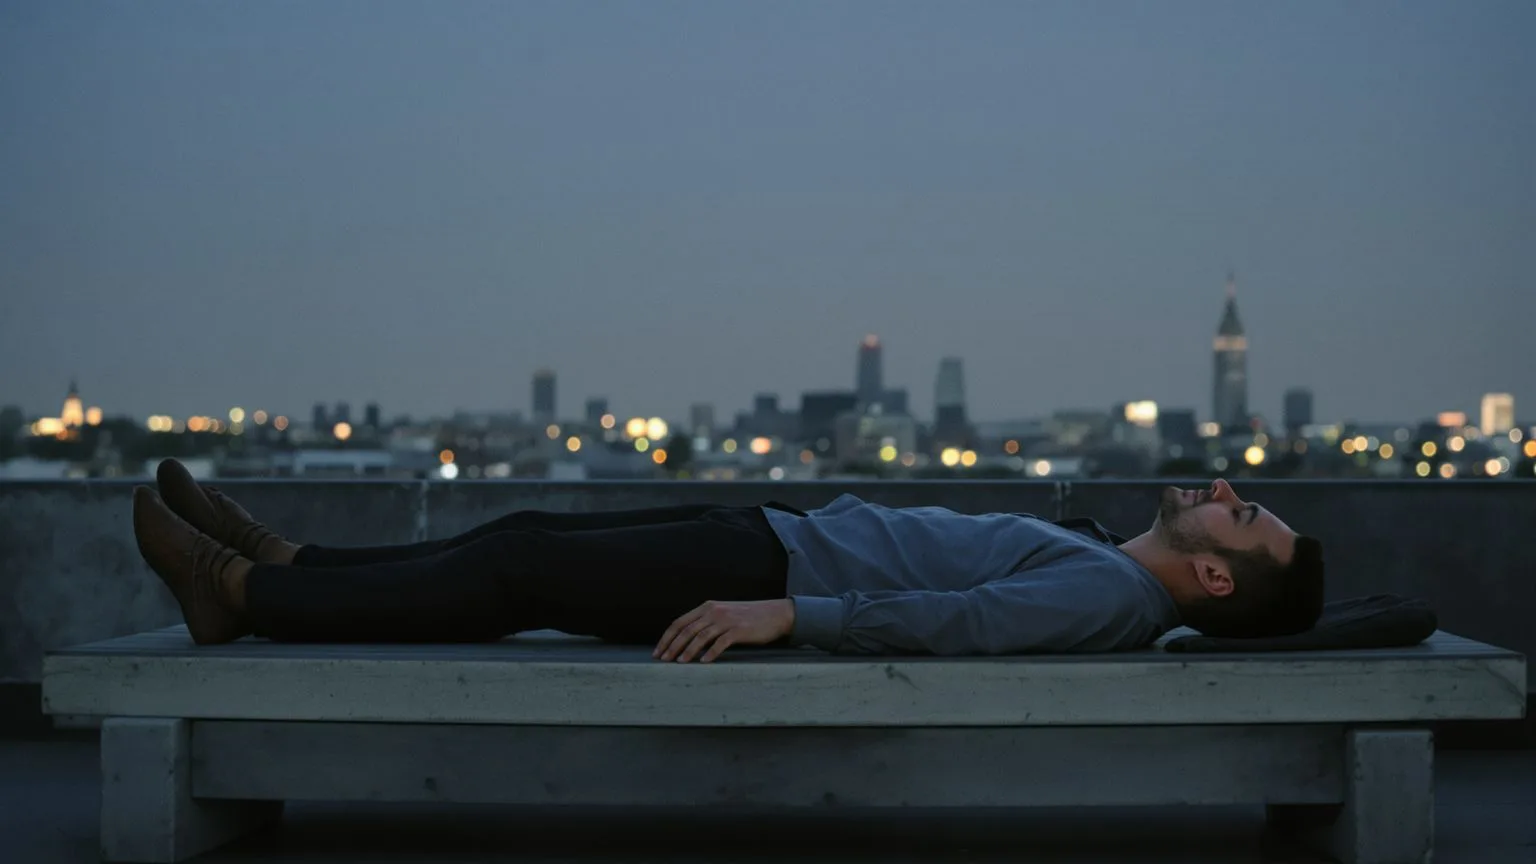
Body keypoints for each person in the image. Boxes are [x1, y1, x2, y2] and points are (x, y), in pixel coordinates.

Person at [131, 458, 1324, 663]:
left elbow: (959, 627)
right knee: (519, 544)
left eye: (1242, 517)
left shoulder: (1104, 594)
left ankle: (240, 594)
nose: (1223, 497)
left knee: (513, 575)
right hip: (775, 541)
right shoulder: (1101, 565)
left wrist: (785, 619)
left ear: (1215, 579)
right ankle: (286, 557)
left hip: (772, 573)